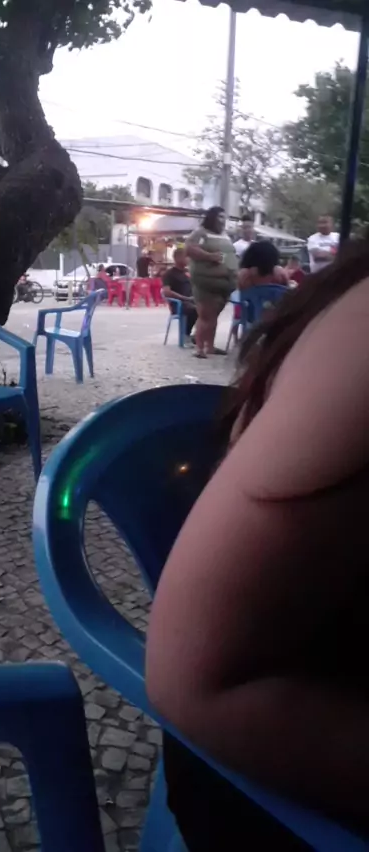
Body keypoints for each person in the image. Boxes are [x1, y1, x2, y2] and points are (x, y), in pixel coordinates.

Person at [146, 233, 369, 849]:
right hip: (266, 773)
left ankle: (201, 341)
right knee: (207, 313)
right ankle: (201, 341)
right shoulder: (357, 334)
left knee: (207, 313)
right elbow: (199, 681)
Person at [185, 207, 238, 358]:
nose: (223, 220)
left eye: (224, 217)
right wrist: (209, 256)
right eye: (220, 217)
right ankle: (199, 348)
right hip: (206, 283)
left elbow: (230, 255)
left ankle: (210, 346)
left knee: (214, 317)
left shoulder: (225, 235)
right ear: (212, 218)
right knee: (206, 316)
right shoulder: (201, 233)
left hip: (224, 284)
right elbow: (190, 249)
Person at [162, 248, 197, 341]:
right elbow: (167, 292)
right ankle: (185, 335)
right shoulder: (169, 274)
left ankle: (197, 336)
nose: (189, 259)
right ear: (177, 258)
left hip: (192, 300)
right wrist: (185, 298)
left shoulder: (188, 272)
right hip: (179, 304)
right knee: (194, 310)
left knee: (208, 310)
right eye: (186, 257)